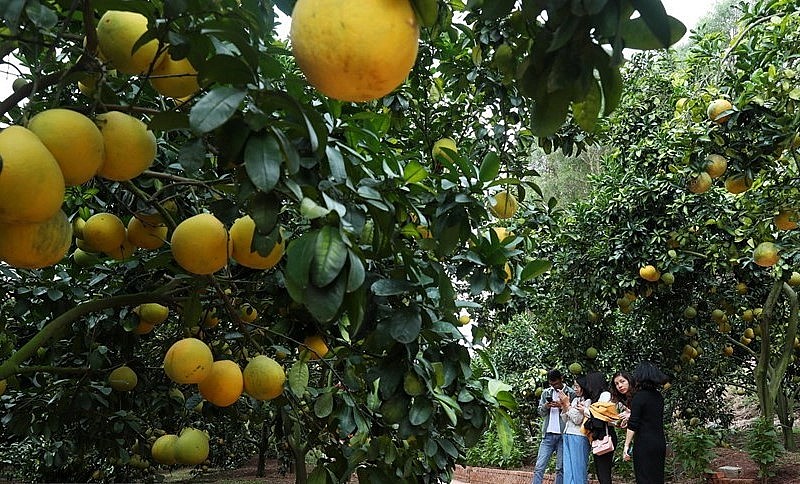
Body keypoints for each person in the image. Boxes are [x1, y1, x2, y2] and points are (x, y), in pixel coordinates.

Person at [623, 362, 668, 484]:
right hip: (659, 442)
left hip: (644, 444)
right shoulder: (659, 397)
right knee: (657, 478)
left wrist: (626, 445)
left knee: (644, 478)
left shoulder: (639, 397)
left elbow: (633, 424)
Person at [532, 369, 576, 484]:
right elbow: (541, 413)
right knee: (539, 467)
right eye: (551, 384)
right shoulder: (546, 393)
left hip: (563, 435)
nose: (554, 386)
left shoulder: (570, 392)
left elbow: (575, 414)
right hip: (548, 435)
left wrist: (562, 406)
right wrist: (546, 406)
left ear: (561, 379)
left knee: (560, 468)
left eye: (556, 383)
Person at [562, 372, 606, 484]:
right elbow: (565, 419)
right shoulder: (575, 400)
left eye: (577, 386)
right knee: (568, 468)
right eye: (574, 386)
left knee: (578, 468)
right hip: (567, 433)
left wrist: (567, 406)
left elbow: (577, 419)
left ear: (583, 387)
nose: (575, 389)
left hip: (579, 436)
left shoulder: (588, 401)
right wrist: (564, 406)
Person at [583, 374, 618, 484]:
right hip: (598, 436)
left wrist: (584, 410)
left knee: (603, 472)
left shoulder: (605, 395)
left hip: (606, 436)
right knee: (601, 471)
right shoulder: (594, 398)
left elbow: (600, 415)